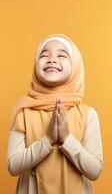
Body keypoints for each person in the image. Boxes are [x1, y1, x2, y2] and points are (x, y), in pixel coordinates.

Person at [7, 34, 103, 194]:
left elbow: (95, 170)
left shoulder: (88, 114)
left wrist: (66, 139)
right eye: (44, 55)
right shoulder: (23, 110)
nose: (51, 59)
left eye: (61, 55)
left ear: (76, 66)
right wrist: (48, 140)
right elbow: (13, 166)